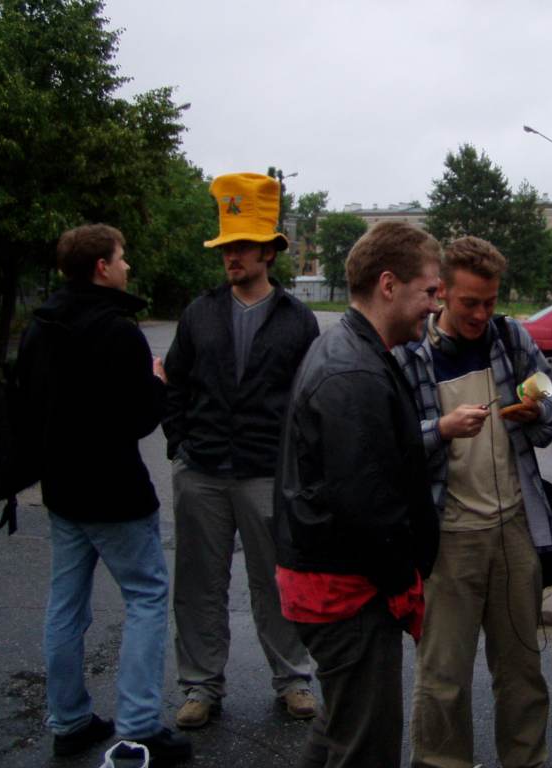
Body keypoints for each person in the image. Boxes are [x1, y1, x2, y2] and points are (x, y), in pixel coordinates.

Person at [17, 224, 191, 763]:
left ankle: (68, 720)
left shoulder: (42, 324)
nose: (127, 266)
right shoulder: (117, 331)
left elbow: (29, 405)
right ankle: (139, 726)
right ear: (101, 267)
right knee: (146, 596)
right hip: (115, 492)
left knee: (66, 605)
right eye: (122, 257)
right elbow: (138, 418)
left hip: (62, 489)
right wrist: (157, 384)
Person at [274, 221, 442, 768]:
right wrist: (404, 586)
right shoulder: (354, 371)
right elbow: (367, 506)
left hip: (333, 581)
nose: (435, 305)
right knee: (366, 744)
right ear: (388, 285)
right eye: (429, 291)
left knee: (342, 723)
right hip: (347, 592)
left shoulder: (354, 351)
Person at [393, 236, 552, 768]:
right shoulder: (410, 354)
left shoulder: (512, 339)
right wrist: (440, 429)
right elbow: (389, 443)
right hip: (448, 537)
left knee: (522, 671)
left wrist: (539, 409)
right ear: (443, 292)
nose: (481, 314)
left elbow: (551, 392)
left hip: (515, 529)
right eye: (470, 302)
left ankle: (526, 761)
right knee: (443, 678)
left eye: (490, 302)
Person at [162, 172, 318, 729]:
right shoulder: (200, 312)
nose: (232, 256)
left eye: (243, 246)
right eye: (227, 247)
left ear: (268, 252)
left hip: (265, 472)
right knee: (198, 583)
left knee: (276, 581)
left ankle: (293, 680)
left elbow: (310, 398)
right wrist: (179, 443)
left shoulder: (297, 320)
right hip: (201, 470)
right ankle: (201, 686)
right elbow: (175, 381)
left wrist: (297, 464)